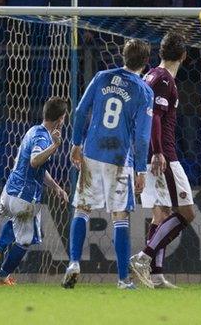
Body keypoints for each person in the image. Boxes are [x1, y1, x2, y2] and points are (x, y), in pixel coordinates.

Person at [62, 39, 154, 290]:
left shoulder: (102, 76)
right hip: (119, 157)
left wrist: (76, 143)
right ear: (146, 62)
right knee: (120, 216)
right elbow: (142, 136)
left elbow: (81, 110)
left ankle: (73, 263)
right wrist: (141, 169)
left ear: (122, 55)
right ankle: (123, 279)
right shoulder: (144, 91)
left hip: (91, 151)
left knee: (82, 208)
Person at [0, 97, 69, 285]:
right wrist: (55, 145)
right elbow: (35, 161)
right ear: (60, 119)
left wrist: (56, 187)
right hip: (25, 199)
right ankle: (2, 277)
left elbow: (36, 168)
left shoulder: (33, 131)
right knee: (25, 241)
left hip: (8, 193)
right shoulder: (44, 138)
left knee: (14, 221)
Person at [128, 31, 194, 289]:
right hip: (162, 154)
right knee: (187, 213)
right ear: (184, 56)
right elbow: (154, 116)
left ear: (160, 53)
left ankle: (156, 276)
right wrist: (158, 152)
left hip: (146, 153)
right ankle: (144, 257)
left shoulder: (150, 75)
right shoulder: (165, 79)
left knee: (161, 214)